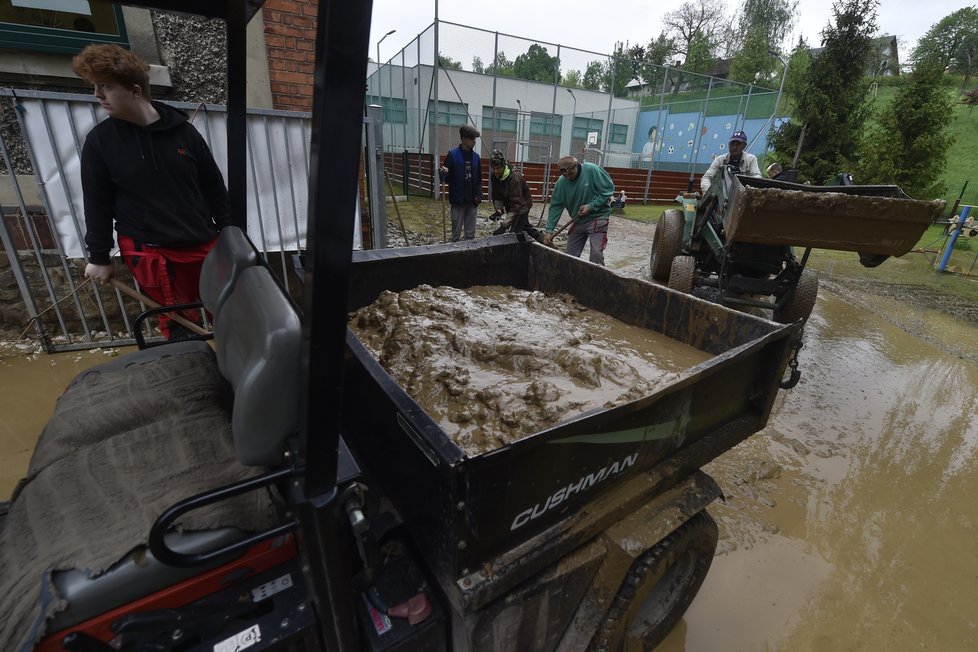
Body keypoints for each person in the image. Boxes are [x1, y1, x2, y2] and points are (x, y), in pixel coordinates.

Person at [73, 44, 228, 340]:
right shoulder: (101, 142)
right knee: (180, 325)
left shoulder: (184, 133)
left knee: (227, 312)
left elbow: (214, 188)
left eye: (105, 86)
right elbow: (97, 203)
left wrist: (228, 232)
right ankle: (191, 375)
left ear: (134, 90)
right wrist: (99, 256)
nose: (97, 95)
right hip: (150, 249)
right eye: (95, 86)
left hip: (201, 241)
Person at [543, 156, 614, 265]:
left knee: (596, 254)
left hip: (597, 217)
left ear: (576, 166)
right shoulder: (561, 183)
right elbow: (555, 207)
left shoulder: (592, 170)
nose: (568, 178)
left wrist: (591, 206)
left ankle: (599, 279)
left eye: (570, 174)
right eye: (564, 176)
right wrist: (549, 231)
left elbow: (608, 190)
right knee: (569, 256)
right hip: (578, 220)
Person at [439, 124, 483, 241]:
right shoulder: (453, 155)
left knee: (470, 235)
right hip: (458, 200)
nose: (474, 142)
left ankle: (469, 255)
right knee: (456, 234)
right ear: (464, 139)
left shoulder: (476, 157)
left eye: (475, 139)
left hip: (472, 201)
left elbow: (479, 179)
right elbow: (444, 177)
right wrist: (445, 172)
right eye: (472, 139)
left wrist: (479, 196)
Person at [488, 150, 542, 242]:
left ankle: (519, 252)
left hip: (522, 206)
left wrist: (504, 227)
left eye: (498, 168)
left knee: (514, 234)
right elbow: (497, 196)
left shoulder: (514, 178)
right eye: (493, 168)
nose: (496, 171)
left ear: (503, 165)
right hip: (512, 206)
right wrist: (499, 211)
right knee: (526, 227)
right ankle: (545, 241)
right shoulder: (494, 176)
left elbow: (516, 205)